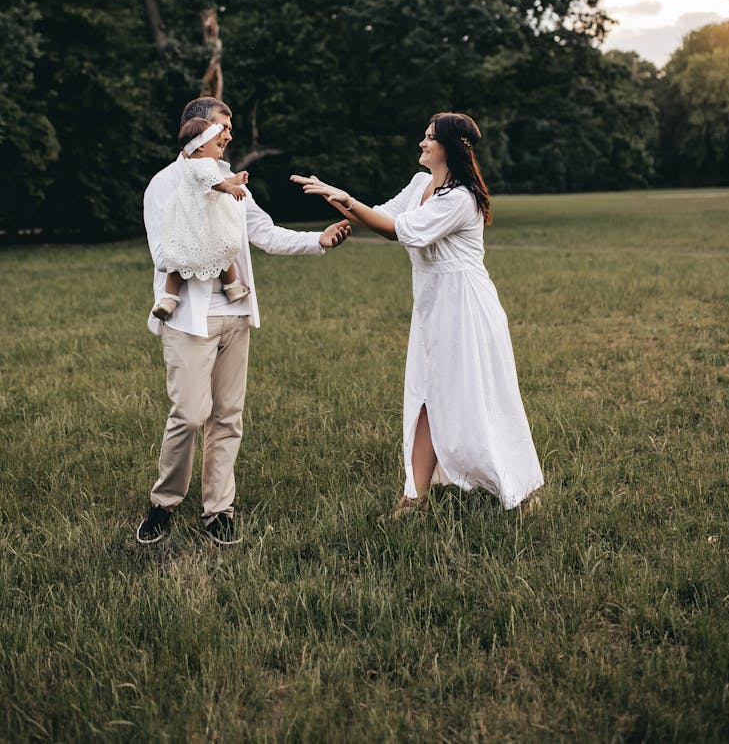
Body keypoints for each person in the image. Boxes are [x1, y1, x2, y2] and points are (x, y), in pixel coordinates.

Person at [292, 111, 543, 518]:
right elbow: (383, 214)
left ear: (450, 147)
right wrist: (335, 198)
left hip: (466, 308)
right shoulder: (420, 184)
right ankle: (414, 497)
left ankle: (520, 490)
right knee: (425, 396)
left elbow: (397, 231)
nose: (422, 143)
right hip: (432, 307)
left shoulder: (460, 199)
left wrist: (344, 197)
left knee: (481, 398)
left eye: (430, 138)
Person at [137, 96, 351, 546]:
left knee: (228, 416)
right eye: (223, 127)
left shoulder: (234, 182)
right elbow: (165, 252)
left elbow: (264, 233)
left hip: (235, 313)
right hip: (188, 320)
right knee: (190, 415)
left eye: (230, 127)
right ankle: (164, 503)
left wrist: (319, 240)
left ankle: (218, 510)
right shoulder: (163, 184)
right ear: (199, 131)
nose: (230, 135)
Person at [152, 117, 252, 322]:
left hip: (191, 224)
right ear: (199, 147)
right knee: (225, 251)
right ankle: (232, 286)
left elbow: (216, 181)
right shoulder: (203, 163)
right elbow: (216, 183)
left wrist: (235, 180)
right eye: (216, 145)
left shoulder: (195, 164)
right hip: (202, 225)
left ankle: (168, 299)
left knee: (179, 263)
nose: (220, 149)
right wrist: (230, 187)